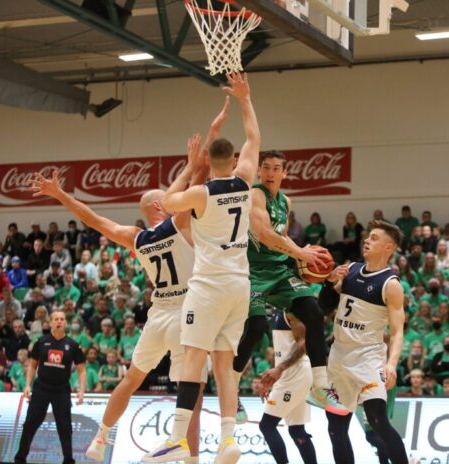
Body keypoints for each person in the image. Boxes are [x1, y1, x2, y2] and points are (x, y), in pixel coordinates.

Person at [30, 110, 227, 464]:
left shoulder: (136, 237)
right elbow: (200, 177)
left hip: (158, 315)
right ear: (161, 205)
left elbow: (92, 219)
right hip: (186, 313)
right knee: (193, 390)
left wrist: (60, 195)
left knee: (132, 378)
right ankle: (190, 458)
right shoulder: (179, 223)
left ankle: (101, 437)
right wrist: (201, 150)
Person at [151, 72, 260, 463]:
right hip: (240, 285)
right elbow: (253, 138)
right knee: (224, 364)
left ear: (208, 161)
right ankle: (228, 439)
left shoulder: (200, 194)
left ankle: (177, 439)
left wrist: (188, 166)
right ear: (234, 160)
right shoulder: (245, 181)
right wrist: (245, 99)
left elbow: (166, 202)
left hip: (209, 286)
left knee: (193, 357)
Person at [232, 148, 339, 424]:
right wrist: (301, 253)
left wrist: (304, 257)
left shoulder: (286, 202)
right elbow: (264, 234)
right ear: (259, 171)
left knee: (314, 313)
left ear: (285, 173)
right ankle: (230, 391)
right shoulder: (255, 195)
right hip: (253, 271)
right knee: (256, 329)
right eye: (266, 167)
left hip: (279, 271)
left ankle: (320, 386)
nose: (270, 173)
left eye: (276, 168)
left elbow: (281, 236)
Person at [323, 221, 410, 464]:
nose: (367, 241)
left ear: (388, 247)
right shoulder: (350, 269)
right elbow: (325, 306)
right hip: (339, 356)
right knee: (335, 428)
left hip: (368, 357)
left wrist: (391, 364)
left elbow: (397, 332)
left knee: (378, 420)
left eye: (374, 238)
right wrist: (329, 282)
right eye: (367, 237)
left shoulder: (391, 284)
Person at [13, 310, 86, 464]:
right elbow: (32, 365)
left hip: (61, 389)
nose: (59, 321)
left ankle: (68, 460)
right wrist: (27, 385)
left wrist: (81, 390)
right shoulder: (41, 342)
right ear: (51, 322)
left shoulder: (73, 345)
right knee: (30, 424)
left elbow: (81, 370)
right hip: (41, 388)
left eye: (62, 319)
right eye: (56, 319)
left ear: (65, 323)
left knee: (65, 427)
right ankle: (20, 459)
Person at [258, 310, 317, 464]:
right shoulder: (278, 311)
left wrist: (280, 368)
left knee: (267, 426)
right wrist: (271, 378)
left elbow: (304, 345)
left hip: (295, 373)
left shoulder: (292, 309)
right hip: (291, 373)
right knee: (297, 430)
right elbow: (281, 352)